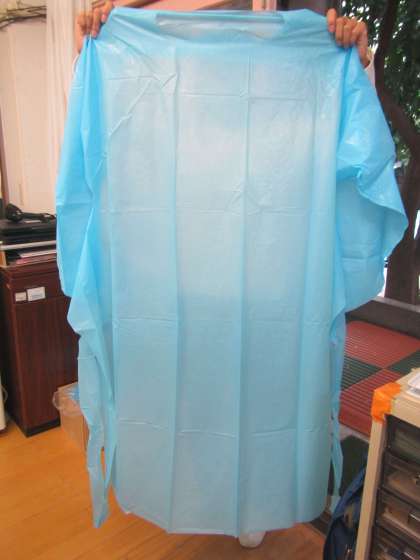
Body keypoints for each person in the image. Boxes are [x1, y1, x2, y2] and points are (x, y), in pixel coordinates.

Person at [73, 1, 373, 550]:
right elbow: (113, 137)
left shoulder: (290, 89)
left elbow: (348, 147)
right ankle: (201, 498)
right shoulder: (166, 91)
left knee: (262, 402)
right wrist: (98, 45)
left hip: (270, 296)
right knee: (193, 404)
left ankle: (251, 505)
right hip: (189, 293)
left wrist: (354, 59)